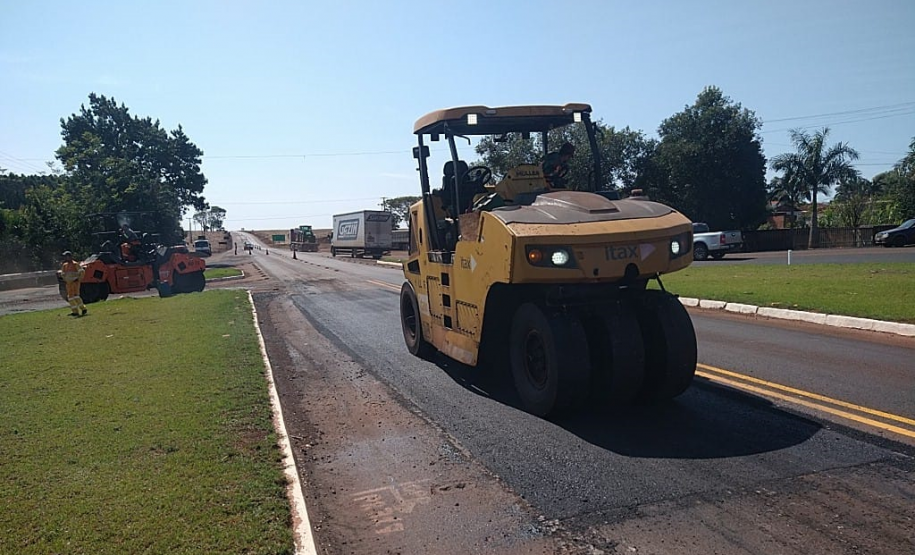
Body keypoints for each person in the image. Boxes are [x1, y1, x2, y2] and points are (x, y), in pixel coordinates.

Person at [59, 251, 87, 317]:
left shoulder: (75, 264)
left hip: (75, 283)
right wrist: (64, 279)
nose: (65, 258)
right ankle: (75, 311)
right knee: (70, 297)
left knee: (76, 296)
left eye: (66, 256)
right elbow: (63, 274)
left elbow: (82, 272)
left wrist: (78, 279)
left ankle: (83, 309)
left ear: (70, 256)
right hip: (68, 284)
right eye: (65, 257)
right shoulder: (65, 265)